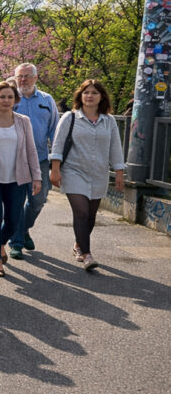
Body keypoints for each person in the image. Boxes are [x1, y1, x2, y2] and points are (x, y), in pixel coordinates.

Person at [50, 79, 125, 271]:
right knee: (81, 212)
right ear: (80, 96)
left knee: (90, 215)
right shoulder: (70, 117)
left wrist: (119, 173)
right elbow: (58, 144)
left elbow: (115, 148)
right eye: (86, 92)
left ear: (101, 97)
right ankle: (87, 254)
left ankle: (78, 245)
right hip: (74, 171)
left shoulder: (109, 121)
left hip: (98, 173)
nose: (89, 96)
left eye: (94, 93)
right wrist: (55, 169)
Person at [0, 82, 42, 277]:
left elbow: (31, 150)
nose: (6, 100)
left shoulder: (23, 121)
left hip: (18, 179)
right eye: (2, 96)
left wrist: (37, 177)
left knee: (14, 220)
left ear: (16, 101)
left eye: (10, 97)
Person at [11, 63, 59, 259]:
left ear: (36, 78)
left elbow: (55, 129)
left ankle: (22, 229)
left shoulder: (47, 100)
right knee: (15, 202)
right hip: (13, 159)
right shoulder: (9, 98)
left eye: (27, 76)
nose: (23, 80)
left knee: (38, 200)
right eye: (20, 76)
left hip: (39, 159)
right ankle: (16, 242)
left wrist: (57, 161)